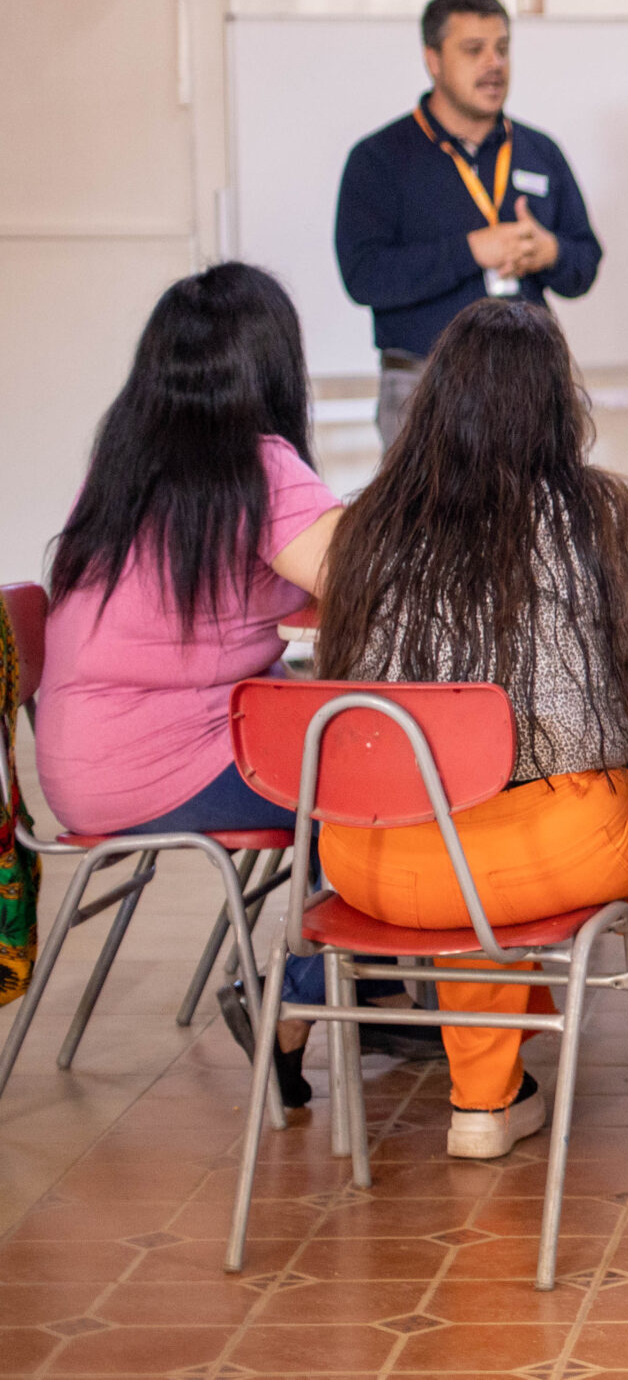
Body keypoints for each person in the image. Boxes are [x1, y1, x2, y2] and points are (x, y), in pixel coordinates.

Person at [315, 297, 628, 1172]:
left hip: (374, 857)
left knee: (464, 835)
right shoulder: (605, 511)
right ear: (558, 403)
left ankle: (482, 1103)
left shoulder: (365, 522)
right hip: (567, 840)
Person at [37, 263, 360, 1104]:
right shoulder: (260, 465)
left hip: (77, 767)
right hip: (162, 763)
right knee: (375, 785)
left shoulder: (124, 463)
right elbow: (363, 578)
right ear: (273, 366)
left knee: (349, 762)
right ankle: (308, 998)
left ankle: (377, 978)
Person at [334, 0, 602, 451]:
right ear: (433, 60)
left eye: (501, 49)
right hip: (423, 385)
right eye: (473, 50)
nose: (493, 64)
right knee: (429, 525)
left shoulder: (539, 151)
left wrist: (549, 252)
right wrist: (472, 250)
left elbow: (584, 263)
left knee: (536, 522)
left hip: (531, 385)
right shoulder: (380, 158)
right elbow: (365, 277)